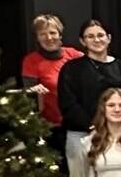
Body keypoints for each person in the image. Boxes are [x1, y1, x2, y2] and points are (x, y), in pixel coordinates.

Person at [58, 19, 121, 177]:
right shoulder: (71, 68)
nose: (97, 40)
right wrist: (93, 126)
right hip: (81, 134)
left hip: (119, 134)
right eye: (90, 36)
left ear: (109, 38)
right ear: (82, 41)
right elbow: (68, 102)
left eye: (100, 35)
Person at [22, 13, 82, 160]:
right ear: (37, 37)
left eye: (52, 32)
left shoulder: (74, 55)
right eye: (43, 34)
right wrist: (33, 91)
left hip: (77, 125)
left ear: (60, 34)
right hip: (49, 128)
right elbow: (28, 95)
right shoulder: (31, 61)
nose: (49, 38)